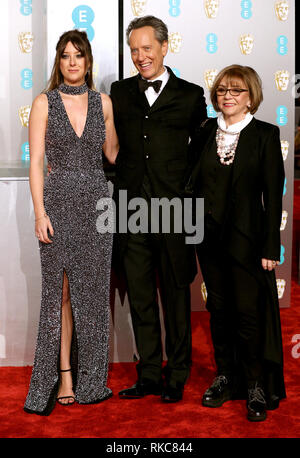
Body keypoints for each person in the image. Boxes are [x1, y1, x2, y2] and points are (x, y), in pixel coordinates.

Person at [110, 16, 207, 403]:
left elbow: (201, 156)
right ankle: (149, 372)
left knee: (176, 295)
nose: (140, 56)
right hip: (131, 209)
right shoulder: (118, 92)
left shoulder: (191, 94)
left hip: (176, 211)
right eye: (134, 50)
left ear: (165, 47)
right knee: (141, 296)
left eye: (147, 48)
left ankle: (177, 372)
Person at [24, 30, 118, 415]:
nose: (73, 62)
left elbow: (112, 155)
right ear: (59, 63)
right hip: (58, 206)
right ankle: (62, 375)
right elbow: (35, 164)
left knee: (94, 296)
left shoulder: (104, 103)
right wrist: (40, 213)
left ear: (88, 60)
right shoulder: (44, 102)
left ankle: (92, 379)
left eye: (79, 55)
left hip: (98, 208)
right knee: (59, 295)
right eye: (65, 56)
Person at [186, 65, 286, 421]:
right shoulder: (204, 132)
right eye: (222, 91)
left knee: (247, 314)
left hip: (247, 241)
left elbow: (274, 197)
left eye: (236, 91)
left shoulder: (265, 135)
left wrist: (271, 247)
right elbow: (192, 184)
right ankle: (226, 376)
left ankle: (255, 384)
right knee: (219, 311)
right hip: (209, 239)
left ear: (251, 97)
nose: (227, 97)